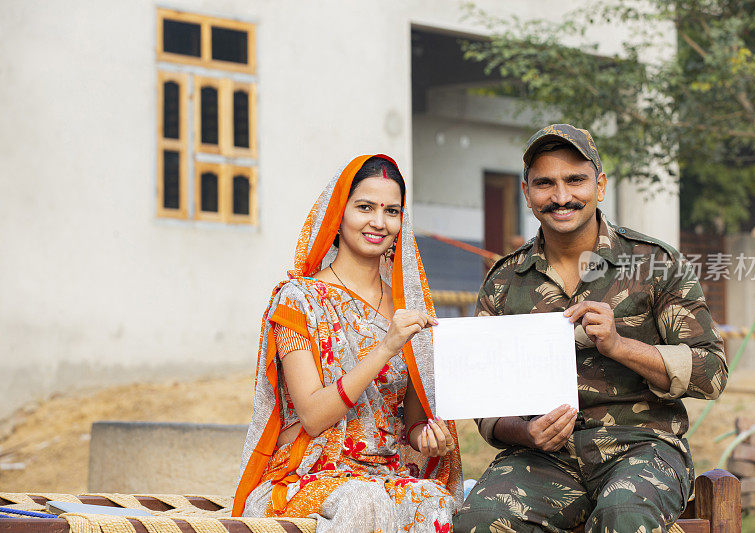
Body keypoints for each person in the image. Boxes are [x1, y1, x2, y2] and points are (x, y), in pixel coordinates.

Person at [453, 124, 728, 533]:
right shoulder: (504, 281)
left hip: (642, 447)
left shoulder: (655, 264)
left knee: (623, 514)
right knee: (479, 520)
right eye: (545, 184)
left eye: (575, 180)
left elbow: (712, 373)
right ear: (527, 193)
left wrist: (619, 346)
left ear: (599, 185)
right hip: (542, 459)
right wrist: (527, 432)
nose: (561, 197)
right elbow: (486, 403)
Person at [233, 154, 463, 532]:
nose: (379, 221)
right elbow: (312, 414)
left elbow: (410, 424)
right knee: (364, 502)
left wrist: (427, 439)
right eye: (365, 207)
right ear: (338, 214)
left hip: (385, 474)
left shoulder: (407, 310)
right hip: (305, 475)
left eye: (392, 211)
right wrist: (387, 346)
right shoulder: (296, 301)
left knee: (435, 502)